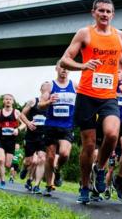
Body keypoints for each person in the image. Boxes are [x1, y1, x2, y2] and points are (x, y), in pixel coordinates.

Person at [59, 0, 122, 204]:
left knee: (112, 134)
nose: (104, 14)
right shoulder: (84, 33)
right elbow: (64, 60)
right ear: (93, 13)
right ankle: (84, 186)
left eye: (108, 11)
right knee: (89, 144)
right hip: (86, 95)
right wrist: (82, 66)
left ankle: (100, 169)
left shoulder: (121, 36)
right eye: (100, 10)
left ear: (113, 14)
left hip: (108, 96)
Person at [39, 62, 77, 197]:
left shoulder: (74, 85)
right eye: (62, 67)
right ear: (57, 69)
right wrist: (49, 102)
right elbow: (40, 105)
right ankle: (49, 185)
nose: (64, 70)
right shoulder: (50, 85)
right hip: (51, 125)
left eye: (67, 68)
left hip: (67, 126)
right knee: (49, 157)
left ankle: (58, 169)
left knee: (65, 154)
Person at [20, 82, 49, 194]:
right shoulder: (33, 101)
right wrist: (28, 123)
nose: (47, 87)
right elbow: (22, 114)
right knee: (30, 161)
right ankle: (25, 167)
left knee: (42, 158)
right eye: (45, 86)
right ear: (41, 89)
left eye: (49, 86)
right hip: (31, 134)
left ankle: (36, 185)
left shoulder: (51, 103)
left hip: (44, 135)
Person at [0, 94, 23, 189]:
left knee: (8, 164)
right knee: (0, 159)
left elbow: (23, 124)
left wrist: (18, 130)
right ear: (3, 101)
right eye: (6, 99)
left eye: (10, 99)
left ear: (13, 101)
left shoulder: (16, 112)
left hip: (11, 141)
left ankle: (1, 174)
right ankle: (2, 181)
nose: (8, 101)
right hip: (0, 139)